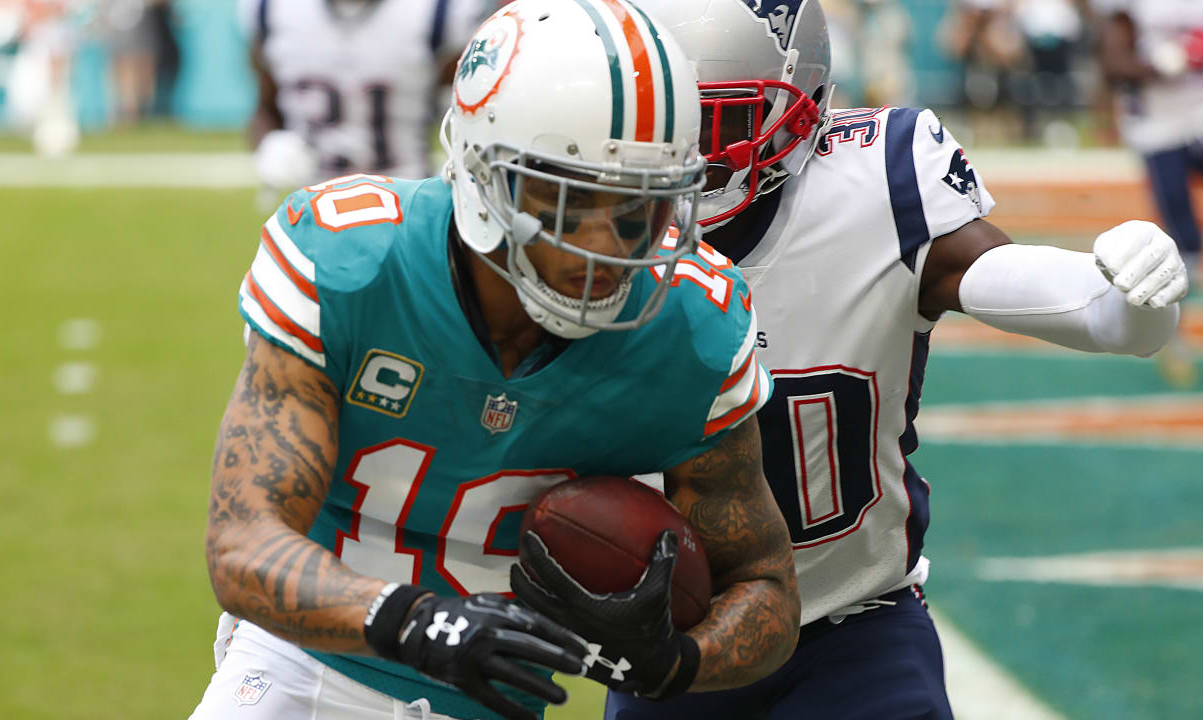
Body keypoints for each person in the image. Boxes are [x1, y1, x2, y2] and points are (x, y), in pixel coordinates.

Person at [189, 2, 800, 720]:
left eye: (638, 207)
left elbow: (766, 590)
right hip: (301, 667)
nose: (606, 247)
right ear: (483, 174)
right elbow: (240, 543)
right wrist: (415, 621)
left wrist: (676, 662)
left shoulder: (691, 330)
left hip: (493, 704)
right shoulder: (352, 262)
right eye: (570, 201)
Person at [608, 1, 1188, 718]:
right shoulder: (595, 221)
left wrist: (1131, 300)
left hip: (854, 631)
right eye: (666, 126)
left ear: (800, 102)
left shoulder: (878, 180)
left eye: (718, 123)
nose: (687, 158)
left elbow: (1074, 305)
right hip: (675, 638)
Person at [1095, 0, 1203, 386]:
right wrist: (1161, 65)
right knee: (1188, 252)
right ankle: (1170, 334)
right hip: (1160, 132)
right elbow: (1112, 62)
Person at [236, 0, 493, 192]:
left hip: (405, 200)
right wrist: (270, 144)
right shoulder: (271, 10)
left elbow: (482, 110)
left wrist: (463, 160)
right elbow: (265, 108)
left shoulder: (439, 13)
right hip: (311, 207)